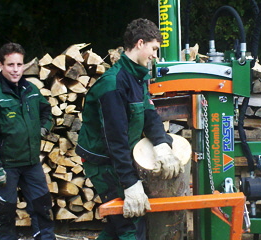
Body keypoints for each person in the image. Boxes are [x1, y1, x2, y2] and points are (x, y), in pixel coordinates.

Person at [76, 18, 182, 240]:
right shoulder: (113, 84)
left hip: (117, 157)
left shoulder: (137, 77)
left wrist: (162, 145)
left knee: (120, 226)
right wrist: (130, 184)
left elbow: (149, 114)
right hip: (104, 163)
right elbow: (115, 140)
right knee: (131, 227)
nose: (155, 55)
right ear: (140, 43)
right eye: (154, 49)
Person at [0, 42, 56, 240]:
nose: (15, 70)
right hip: (6, 166)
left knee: (42, 207)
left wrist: (43, 128)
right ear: (1, 66)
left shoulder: (31, 90)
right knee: (5, 213)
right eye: (10, 65)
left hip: (31, 163)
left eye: (19, 65)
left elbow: (47, 111)